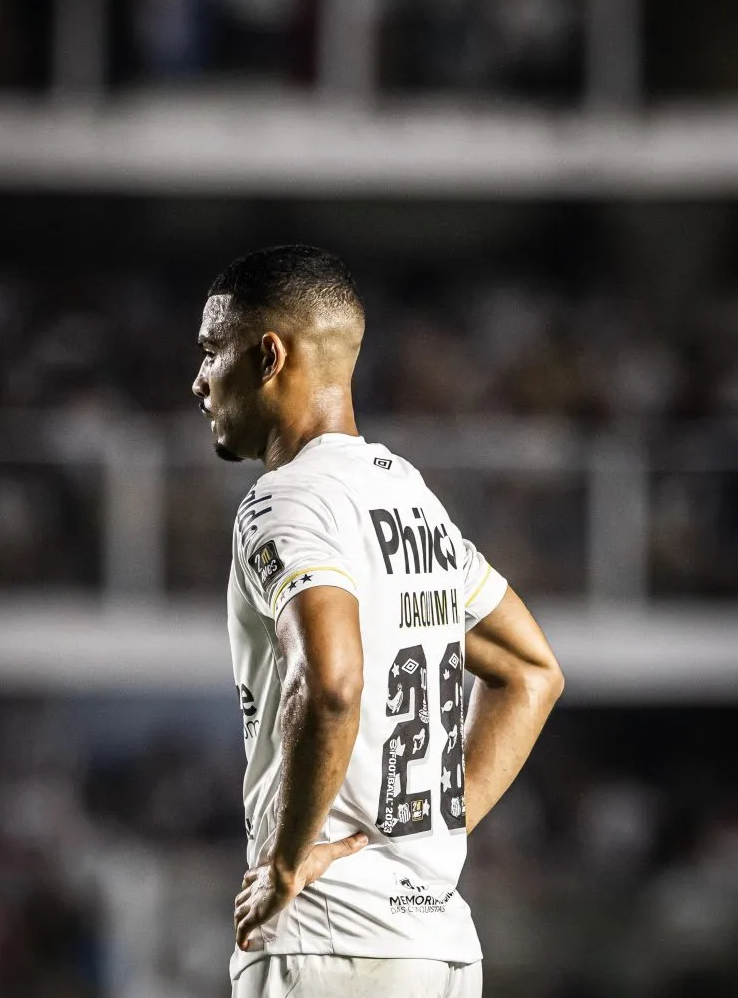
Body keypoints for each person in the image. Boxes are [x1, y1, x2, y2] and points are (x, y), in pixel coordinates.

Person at [192, 245, 564, 998]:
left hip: (329, 942)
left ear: (267, 355)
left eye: (210, 350)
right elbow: (530, 672)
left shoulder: (286, 502)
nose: (199, 379)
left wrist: (290, 860)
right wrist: (434, 836)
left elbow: (330, 680)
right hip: (439, 949)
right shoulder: (407, 498)